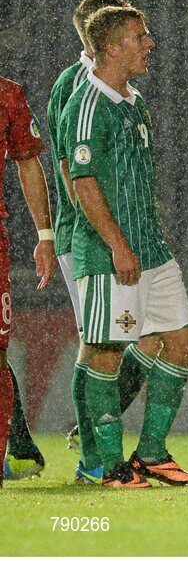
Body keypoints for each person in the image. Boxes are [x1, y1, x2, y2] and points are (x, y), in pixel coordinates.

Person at [57, 5, 188, 488]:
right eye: (140, 37)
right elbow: (83, 183)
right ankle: (109, 467)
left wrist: (141, 241)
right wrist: (117, 245)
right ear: (113, 46)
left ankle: (152, 453)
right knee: (105, 352)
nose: (150, 44)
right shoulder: (85, 104)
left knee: (183, 342)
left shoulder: (133, 100)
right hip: (106, 254)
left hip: (153, 250)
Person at [49, 0, 157, 485]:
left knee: (141, 339)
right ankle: (93, 453)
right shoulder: (76, 86)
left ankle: (93, 427)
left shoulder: (121, 90)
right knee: (96, 344)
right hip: (86, 237)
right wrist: (84, 234)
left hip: (117, 236)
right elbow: (72, 168)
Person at [0, 74, 58, 488]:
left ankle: (15, 450)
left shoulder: (8, 94)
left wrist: (45, 235)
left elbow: (28, 159)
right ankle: (20, 447)